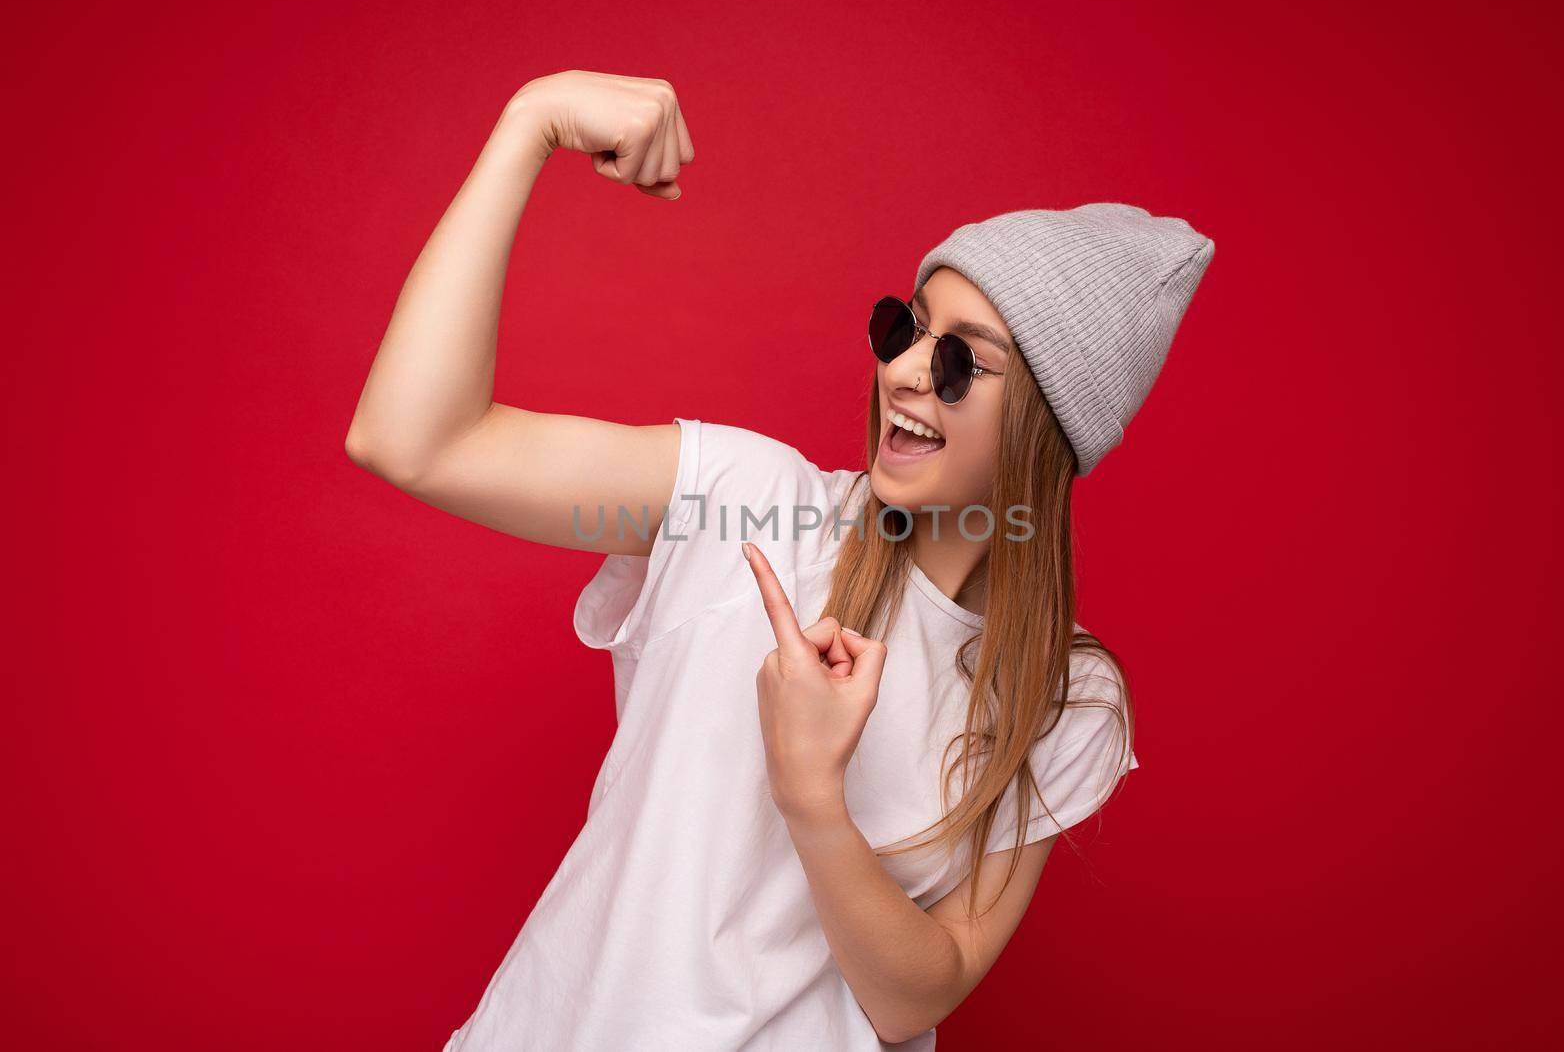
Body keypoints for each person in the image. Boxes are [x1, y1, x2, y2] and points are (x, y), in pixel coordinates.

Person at [344, 69, 1215, 1051]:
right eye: (906, 327)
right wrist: (528, 121)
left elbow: (912, 997)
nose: (904, 371)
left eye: (962, 360)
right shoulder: (747, 503)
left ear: (1049, 426)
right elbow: (414, 439)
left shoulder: (1067, 694)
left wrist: (811, 792)